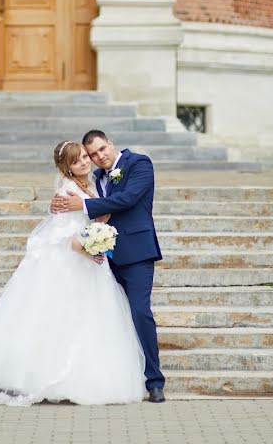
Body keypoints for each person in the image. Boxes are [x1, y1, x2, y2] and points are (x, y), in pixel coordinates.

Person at [0, 141, 145, 406]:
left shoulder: (93, 183)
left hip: (92, 264)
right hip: (75, 262)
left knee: (90, 319)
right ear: (66, 169)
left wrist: (100, 228)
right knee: (64, 319)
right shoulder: (68, 190)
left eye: (84, 157)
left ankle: (83, 377)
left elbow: (99, 213)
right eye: (76, 161)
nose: (84, 162)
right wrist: (88, 248)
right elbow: (63, 234)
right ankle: (49, 378)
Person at [51, 130, 166, 403]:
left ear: (110, 144)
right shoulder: (95, 178)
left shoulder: (138, 164)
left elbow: (127, 199)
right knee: (109, 317)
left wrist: (84, 204)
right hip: (103, 259)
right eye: (92, 154)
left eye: (102, 149)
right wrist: (61, 204)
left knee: (139, 312)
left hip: (137, 253)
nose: (99, 157)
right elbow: (75, 212)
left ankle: (155, 381)